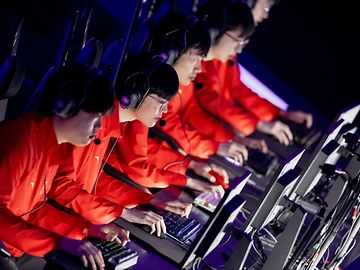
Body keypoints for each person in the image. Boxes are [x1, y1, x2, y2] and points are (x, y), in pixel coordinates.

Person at [0, 64, 128, 270]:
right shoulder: (21, 142)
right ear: (65, 107)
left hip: (17, 248)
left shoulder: (50, 143)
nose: (99, 127)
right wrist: (56, 244)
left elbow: (35, 211)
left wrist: (87, 230)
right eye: (95, 117)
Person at [98, 52, 226, 201]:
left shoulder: (134, 116)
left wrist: (185, 167)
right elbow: (135, 166)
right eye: (196, 58)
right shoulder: (98, 125)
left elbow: (144, 150)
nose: (199, 68)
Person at [194, 0, 313, 146]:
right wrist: (256, 126)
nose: (265, 15)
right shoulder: (216, 45)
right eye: (266, 7)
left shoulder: (229, 42)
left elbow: (237, 88)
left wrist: (279, 114)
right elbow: (209, 97)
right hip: (204, 136)